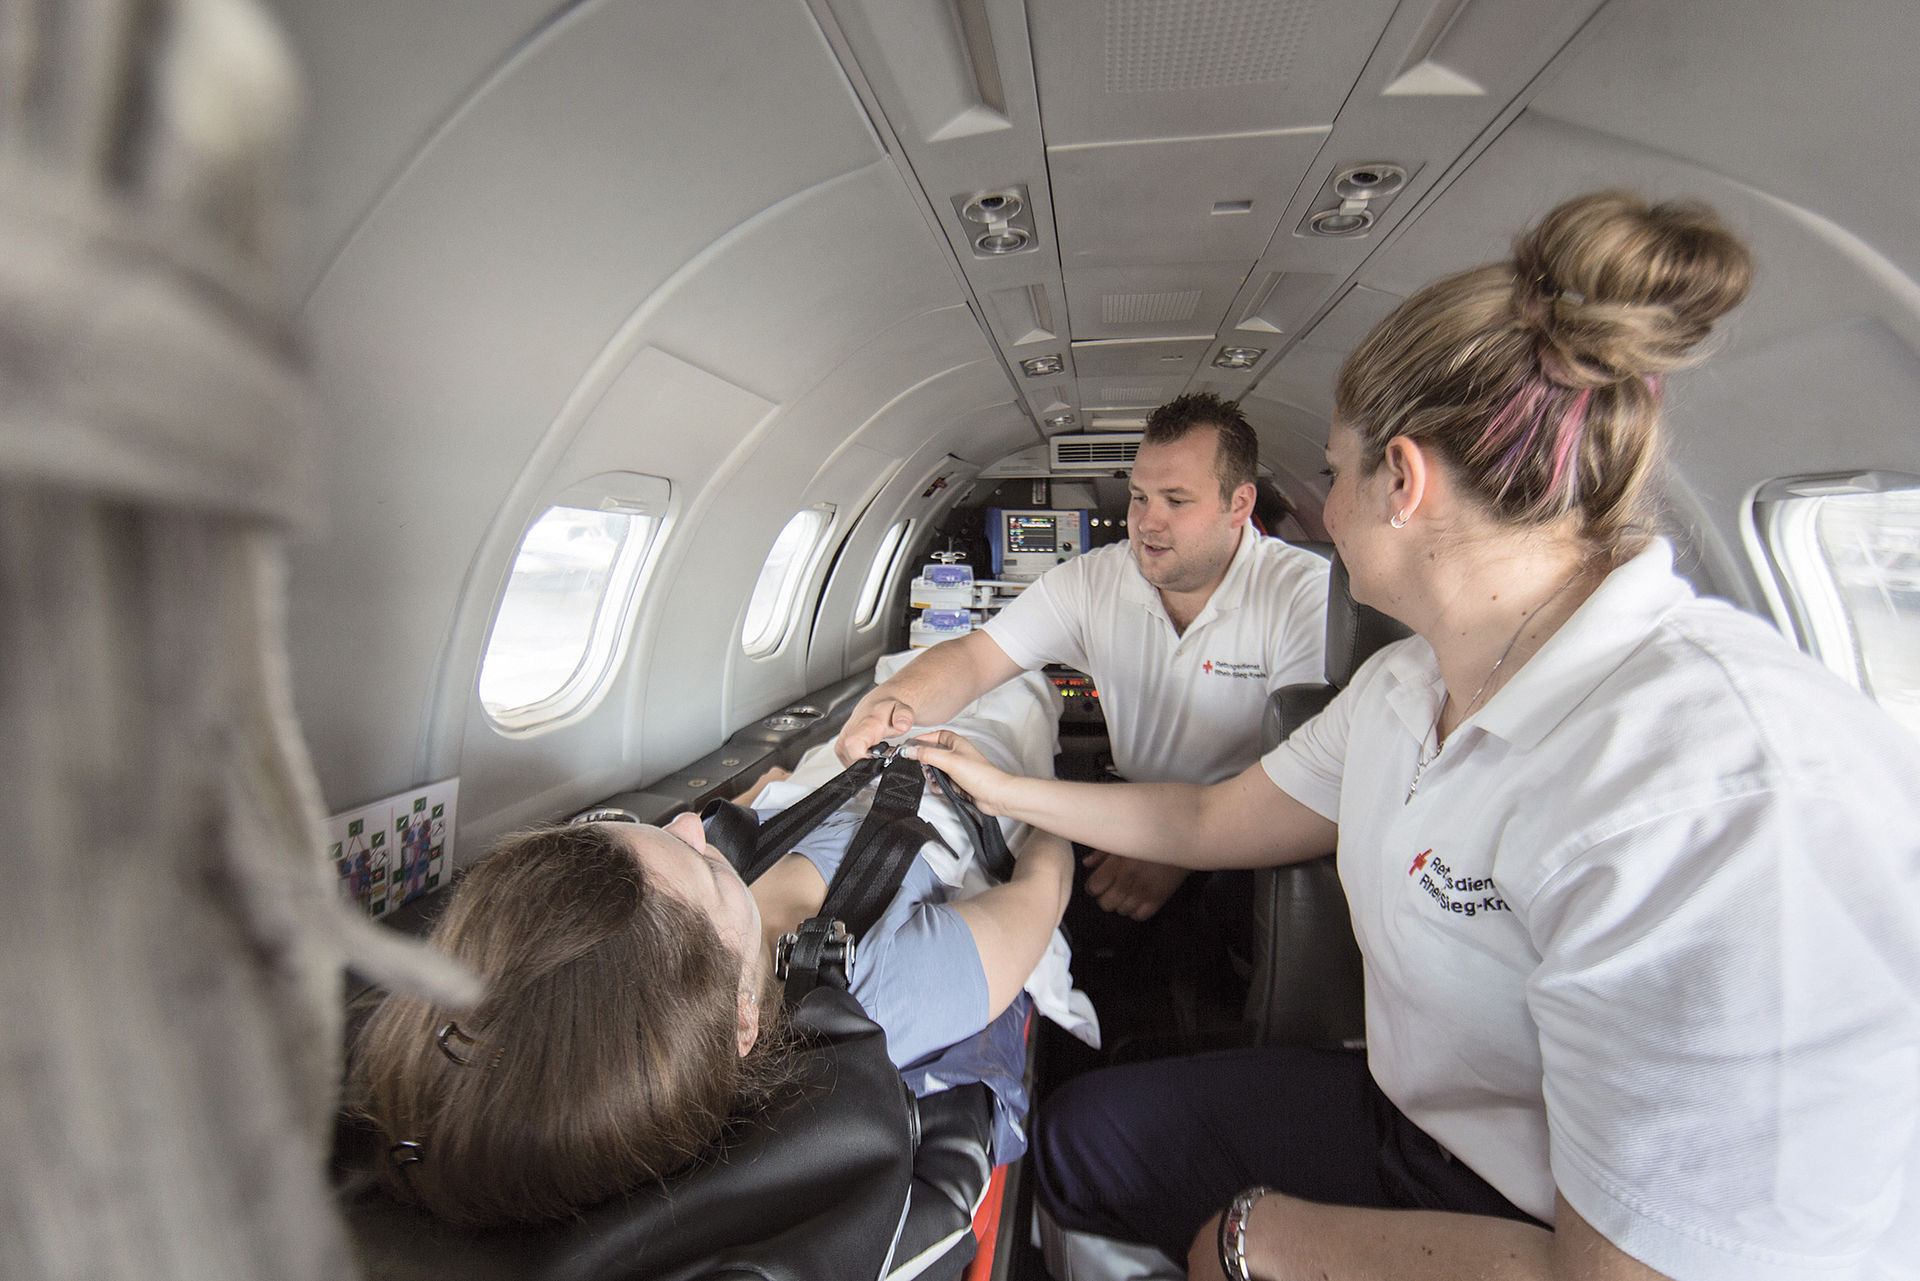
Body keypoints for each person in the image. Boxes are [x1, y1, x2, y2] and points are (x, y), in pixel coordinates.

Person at [909, 191, 1920, 1280]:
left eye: (1335, 473)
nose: (1325, 505)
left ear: (1405, 481)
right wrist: (999, 790)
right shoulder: (1406, 688)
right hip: (1422, 1124)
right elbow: (1204, 815)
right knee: (1078, 1140)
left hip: (1561, 1230)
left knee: (1218, 1238)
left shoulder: (1724, 786)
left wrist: (1253, 1239)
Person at [352, 668, 1088, 1229]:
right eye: (703, 866)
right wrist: (1045, 792)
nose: (690, 823)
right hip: (973, 778)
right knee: (1026, 681)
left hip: (841, 765)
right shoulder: (883, 985)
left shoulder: (668, 941)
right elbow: (1040, 894)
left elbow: (752, 806)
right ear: (743, 1019)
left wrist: (808, 768)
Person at [838, 392, 1329, 921]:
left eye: (1176, 500)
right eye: (1139, 497)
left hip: (1249, 827)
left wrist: (1175, 854)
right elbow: (976, 658)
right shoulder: (1096, 580)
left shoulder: (1304, 598)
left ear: (1240, 504)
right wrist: (890, 702)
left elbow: (1299, 782)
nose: (1146, 523)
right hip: (1128, 803)